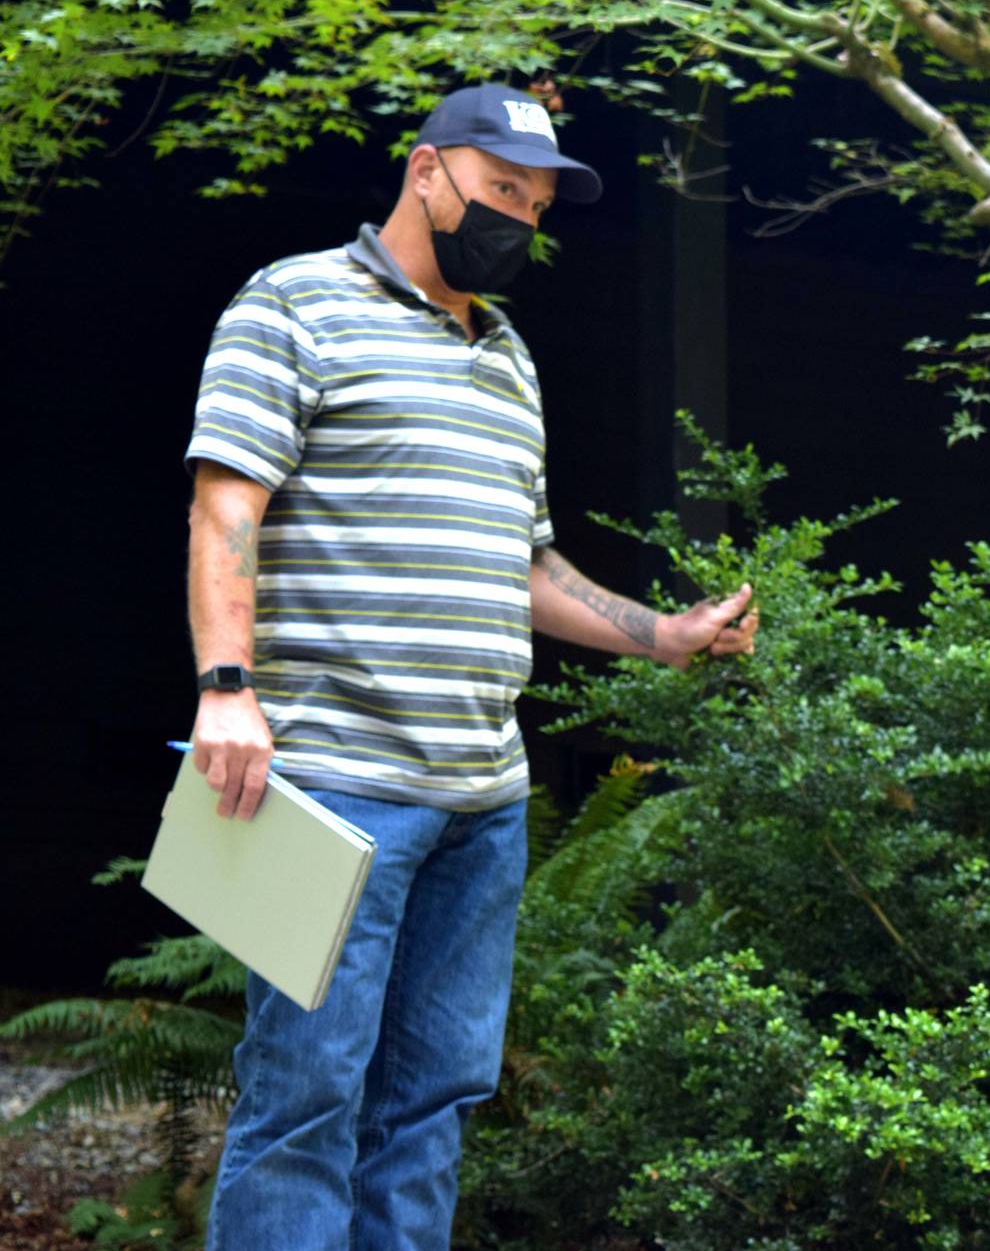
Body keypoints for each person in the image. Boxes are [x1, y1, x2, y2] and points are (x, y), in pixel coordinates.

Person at [183, 82, 759, 1249]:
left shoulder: (506, 356)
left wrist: (664, 635)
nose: (519, 223)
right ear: (425, 170)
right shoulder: (291, 303)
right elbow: (223, 509)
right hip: (324, 784)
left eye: (536, 207)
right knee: (302, 1105)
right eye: (503, 191)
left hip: (479, 805)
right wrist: (226, 689)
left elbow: (524, 566)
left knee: (434, 1108)